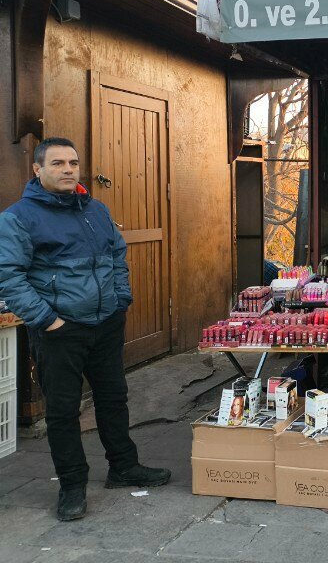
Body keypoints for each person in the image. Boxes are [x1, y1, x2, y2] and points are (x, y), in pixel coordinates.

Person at [0, 138, 171, 521]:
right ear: (38, 170)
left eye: (73, 163)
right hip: (60, 328)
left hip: (106, 322)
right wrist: (48, 320)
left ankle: (124, 468)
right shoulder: (18, 218)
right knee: (62, 410)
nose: (67, 169)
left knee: (114, 398)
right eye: (57, 163)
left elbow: (116, 255)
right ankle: (72, 486)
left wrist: (120, 300)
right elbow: (9, 278)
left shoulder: (96, 209)